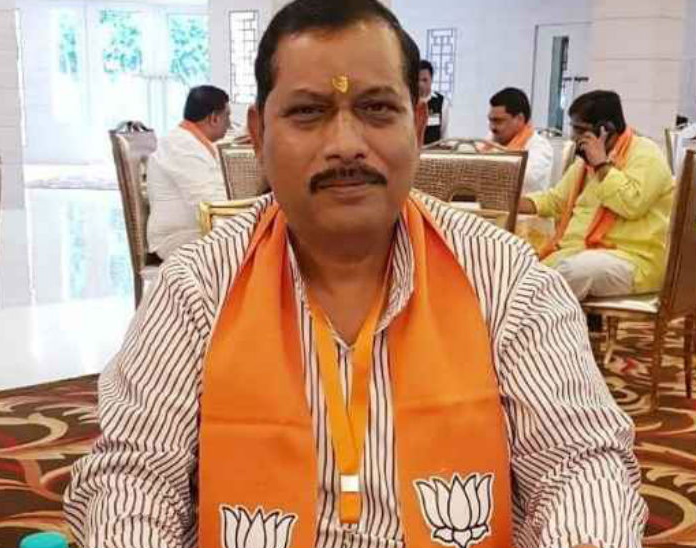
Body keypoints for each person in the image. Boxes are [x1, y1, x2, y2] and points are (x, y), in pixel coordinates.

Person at [65, 2, 646, 547]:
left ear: (418, 124)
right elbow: (132, 474)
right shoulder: (197, 286)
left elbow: (581, 463)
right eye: (308, 112)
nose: (346, 145)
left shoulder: (505, 278)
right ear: (259, 135)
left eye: (376, 109)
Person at [520, 90, 673, 300]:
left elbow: (632, 204)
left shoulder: (647, 154)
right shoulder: (586, 164)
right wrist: (513, 202)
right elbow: (556, 201)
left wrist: (602, 165)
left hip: (631, 258)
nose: (573, 137)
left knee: (566, 275)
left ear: (605, 130)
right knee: (518, 265)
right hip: (575, 252)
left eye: (580, 130)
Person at [146, 85, 232, 259]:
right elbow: (207, 204)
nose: (230, 124)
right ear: (214, 118)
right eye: (227, 116)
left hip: (194, 231)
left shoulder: (191, 141)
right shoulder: (181, 146)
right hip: (177, 239)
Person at [487, 87, 553, 193]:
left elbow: (525, 178)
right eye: (490, 121)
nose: (492, 127)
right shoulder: (493, 140)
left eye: (498, 121)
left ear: (519, 119)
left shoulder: (540, 146)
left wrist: (483, 168)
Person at [419, 60, 453, 144]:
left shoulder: (442, 102)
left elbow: (444, 134)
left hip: (434, 150)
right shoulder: (408, 101)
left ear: (431, 79)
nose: (420, 84)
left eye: (424, 80)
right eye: (417, 80)